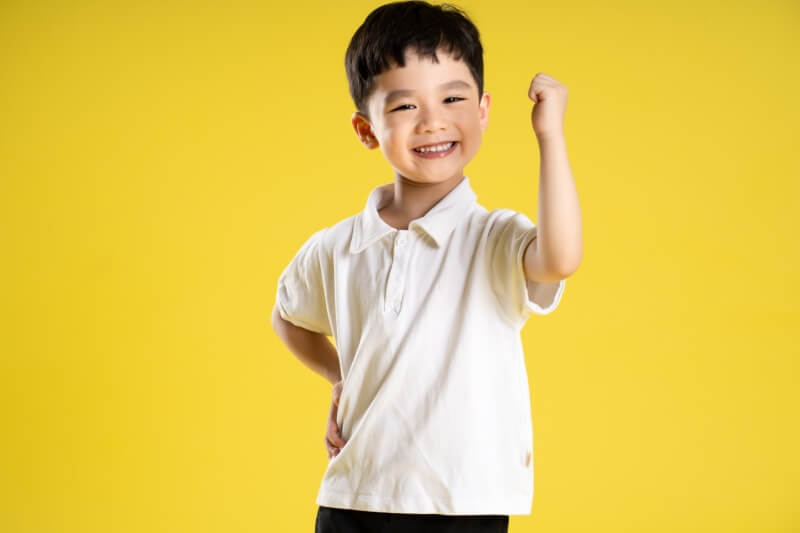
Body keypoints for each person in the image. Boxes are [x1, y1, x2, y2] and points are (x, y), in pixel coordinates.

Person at [271, 1, 582, 531]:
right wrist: (339, 376)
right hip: (354, 496)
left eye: (453, 97)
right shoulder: (338, 246)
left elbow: (559, 260)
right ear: (366, 129)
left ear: (482, 109)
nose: (434, 121)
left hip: (462, 502)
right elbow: (287, 316)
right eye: (404, 107)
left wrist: (550, 137)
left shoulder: (493, 237)